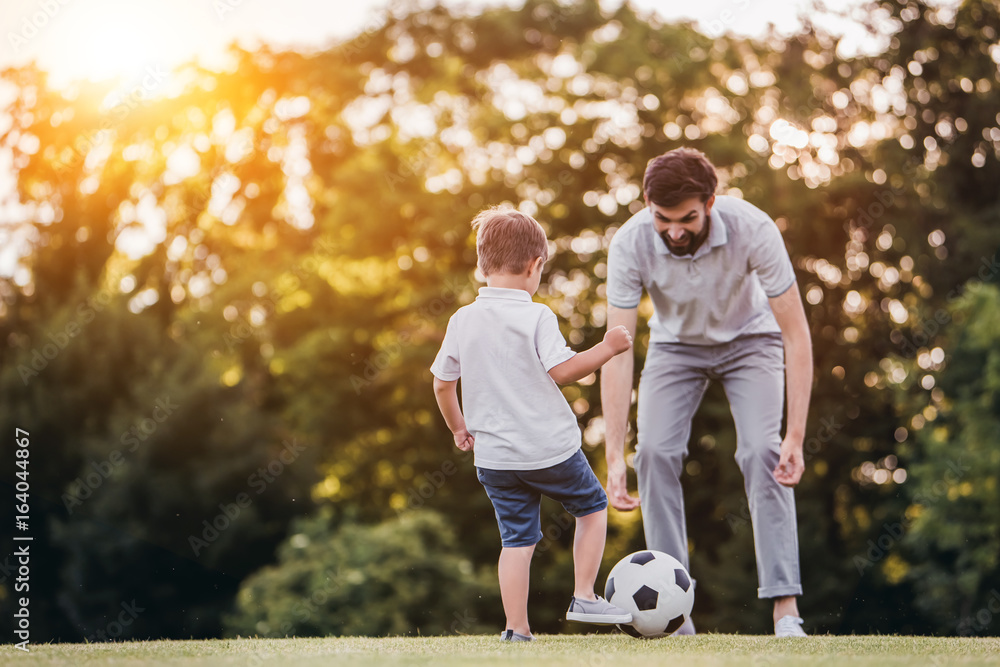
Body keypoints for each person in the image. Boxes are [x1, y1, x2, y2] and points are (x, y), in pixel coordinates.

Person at [600, 147, 813, 638]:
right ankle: (675, 619)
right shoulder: (630, 243)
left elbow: (796, 335)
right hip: (676, 347)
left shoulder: (753, 228)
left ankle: (786, 611)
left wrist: (796, 434)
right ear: (648, 206)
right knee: (652, 453)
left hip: (750, 342)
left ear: (711, 202)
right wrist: (614, 454)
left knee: (765, 452)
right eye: (662, 219)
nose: (674, 231)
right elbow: (617, 350)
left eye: (687, 219)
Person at [431, 206, 635, 642]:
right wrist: (609, 347)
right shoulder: (536, 315)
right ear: (535, 265)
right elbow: (563, 371)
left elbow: (442, 385)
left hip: (496, 459)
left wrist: (458, 429)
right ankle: (584, 595)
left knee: (516, 541)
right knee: (593, 509)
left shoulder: (462, 320)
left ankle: (516, 629)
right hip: (549, 450)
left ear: (482, 264)